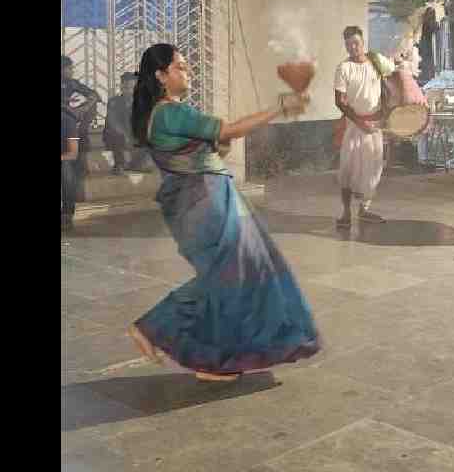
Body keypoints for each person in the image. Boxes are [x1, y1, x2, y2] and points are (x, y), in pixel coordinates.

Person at [126, 43, 320, 381]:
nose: (188, 71)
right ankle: (156, 329)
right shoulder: (171, 112)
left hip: (205, 199)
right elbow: (228, 131)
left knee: (242, 274)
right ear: (160, 76)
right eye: (180, 66)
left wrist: (220, 142)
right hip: (205, 203)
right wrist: (278, 108)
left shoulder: (168, 113)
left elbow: (217, 144)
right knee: (229, 277)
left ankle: (213, 360)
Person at [334, 25, 394, 227]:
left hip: (375, 125)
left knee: (373, 169)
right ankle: (346, 214)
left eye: (356, 43)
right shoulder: (344, 68)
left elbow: (388, 86)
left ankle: (364, 210)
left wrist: (385, 115)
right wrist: (360, 122)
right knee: (347, 169)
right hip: (354, 125)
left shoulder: (376, 62)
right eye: (348, 44)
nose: (353, 47)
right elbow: (339, 101)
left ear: (363, 42)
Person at [62, 55, 102, 200]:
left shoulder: (73, 83)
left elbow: (95, 95)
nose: (71, 71)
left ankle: (76, 191)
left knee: (80, 140)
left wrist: (83, 109)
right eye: (69, 68)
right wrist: (68, 106)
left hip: (72, 127)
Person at [103, 72, 150, 174]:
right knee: (115, 134)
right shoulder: (114, 101)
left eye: (133, 88)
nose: (130, 91)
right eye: (127, 87)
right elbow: (113, 122)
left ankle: (136, 164)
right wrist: (126, 135)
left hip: (133, 133)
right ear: (121, 87)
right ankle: (119, 164)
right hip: (117, 134)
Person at [61, 106, 80, 231]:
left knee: (66, 168)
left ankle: (67, 213)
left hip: (64, 159)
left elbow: (73, 153)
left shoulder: (67, 121)